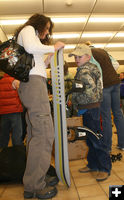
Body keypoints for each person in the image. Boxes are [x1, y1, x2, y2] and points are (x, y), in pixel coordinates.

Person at [16, 13, 65, 199]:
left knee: (36, 134)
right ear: (40, 24)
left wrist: (49, 56)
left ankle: (34, 179)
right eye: (47, 29)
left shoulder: (32, 39)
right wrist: (53, 45)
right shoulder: (28, 30)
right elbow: (30, 46)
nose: (47, 33)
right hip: (34, 85)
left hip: (34, 83)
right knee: (44, 133)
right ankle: (35, 184)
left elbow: (36, 64)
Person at [68, 44, 111, 182]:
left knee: (97, 139)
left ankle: (104, 169)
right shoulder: (85, 69)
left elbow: (90, 93)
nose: (76, 59)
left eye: (79, 56)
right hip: (88, 108)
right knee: (90, 139)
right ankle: (92, 164)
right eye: (75, 56)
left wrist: (74, 98)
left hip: (90, 108)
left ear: (88, 56)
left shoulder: (85, 71)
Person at [91, 47, 124, 152]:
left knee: (106, 117)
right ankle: (122, 144)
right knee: (118, 114)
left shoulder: (89, 54)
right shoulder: (103, 51)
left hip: (105, 86)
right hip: (116, 82)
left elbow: (94, 71)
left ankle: (107, 147)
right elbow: (116, 64)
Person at [0, 73, 23, 147]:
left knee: (4, 134)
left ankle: (3, 152)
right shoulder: (15, 81)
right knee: (16, 134)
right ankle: (17, 153)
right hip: (15, 111)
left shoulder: (1, 81)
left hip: (3, 112)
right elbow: (21, 95)